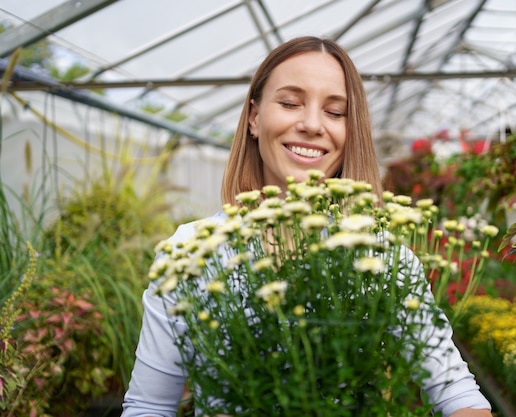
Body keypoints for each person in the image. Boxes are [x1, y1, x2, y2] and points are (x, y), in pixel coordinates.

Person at [121, 36, 492, 417]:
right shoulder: (193, 249)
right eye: (289, 103)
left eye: (335, 112)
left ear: (351, 133)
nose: (312, 124)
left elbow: (455, 392)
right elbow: (149, 406)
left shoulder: (381, 255)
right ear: (254, 117)